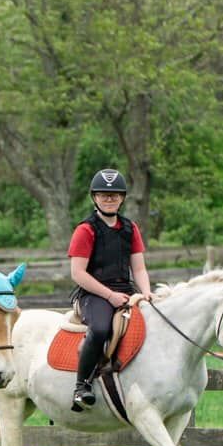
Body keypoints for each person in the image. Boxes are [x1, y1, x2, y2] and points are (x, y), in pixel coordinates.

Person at [67, 168, 153, 410]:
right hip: (93, 294)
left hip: (125, 290)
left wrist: (146, 293)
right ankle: (81, 386)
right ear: (94, 197)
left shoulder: (130, 228)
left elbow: (139, 269)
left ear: (122, 198)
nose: (109, 199)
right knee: (101, 328)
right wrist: (109, 295)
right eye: (104, 195)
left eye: (114, 195)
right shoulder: (85, 230)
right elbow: (78, 273)